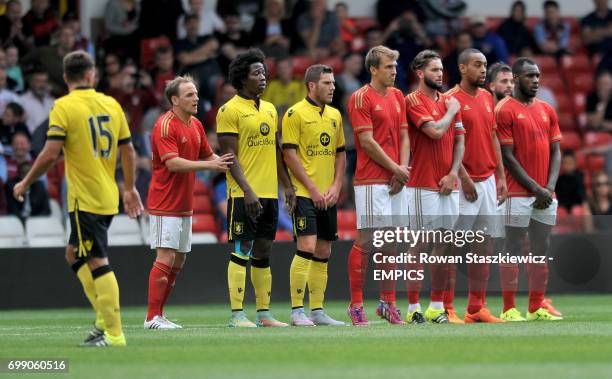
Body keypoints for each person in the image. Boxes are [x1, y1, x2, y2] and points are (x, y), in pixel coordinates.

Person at [12, 50, 144, 346]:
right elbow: (129, 150)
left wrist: (25, 182)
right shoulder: (112, 104)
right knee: (74, 253)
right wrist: (130, 187)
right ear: (90, 75)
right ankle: (102, 317)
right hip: (109, 194)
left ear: (65, 78)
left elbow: (49, 154)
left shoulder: (63, 106)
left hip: (85, 199)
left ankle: (114, 333)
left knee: (97, 260)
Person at [144, 75, 233, 329]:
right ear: (174, 100)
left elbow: (209, 155)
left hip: (184, 204)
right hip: (165, 202)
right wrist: (210, 164)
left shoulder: (195, 125)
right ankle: (151, 317)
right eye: (189, 95)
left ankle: (159, 314)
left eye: (195, 94)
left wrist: (228, 166)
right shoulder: (165, 125)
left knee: (179, 260)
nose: (196, 99)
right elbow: (173, 163)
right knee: (166, 256)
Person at [216, 48, 295, 327]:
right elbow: (229, 156)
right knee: (243, 247)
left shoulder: (271, 109)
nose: (263, 77)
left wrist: (287, 185)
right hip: (242, 193)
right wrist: (247, 190)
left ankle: (264, 314)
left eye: (264, 72)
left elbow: (276, 151)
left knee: (263, 249)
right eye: (257, 73)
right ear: (242, 78)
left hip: (269, 193)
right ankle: (237, 315)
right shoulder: (229, 110)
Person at [495, 57, 563, 321]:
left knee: (541, 247)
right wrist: (536, 188)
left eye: (537, 76)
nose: (535, 80)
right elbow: (508, 157)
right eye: (529, 76)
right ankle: (509, 308)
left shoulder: (547, 109)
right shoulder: (505, 109)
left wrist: (549, 187)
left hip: (546, 193)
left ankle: (535, 307)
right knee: (512, 246)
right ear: (515, 79)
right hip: (518, 193)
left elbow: (557, 151)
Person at [346, 45, 410, 326]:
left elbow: (405, 136)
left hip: (396, 178)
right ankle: (356, 305)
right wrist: (395, 168)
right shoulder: (360, 98)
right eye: (388, 67)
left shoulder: (398, 96)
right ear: (373, 69)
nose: (394, 71)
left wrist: (402, 170)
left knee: (391, 242)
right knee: (367, 240)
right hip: (371, 178)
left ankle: (388, 303)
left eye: (395, 67)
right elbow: (367, 142)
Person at [444, 48, 506, 323]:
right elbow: (447, 145)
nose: (483, 70)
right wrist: (464, 177)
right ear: (462, 68)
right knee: (452, 245)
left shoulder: (487, 97)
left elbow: (493, 138)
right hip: (462, 183)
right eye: (477, 65)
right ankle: (445, 306)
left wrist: (501, 176)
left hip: (489, 180)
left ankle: (475, 308)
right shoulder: (449, 100)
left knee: (485, 244)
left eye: (485, 65)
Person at [282, 64, 346, 326]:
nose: (332, 87)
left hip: (328, 195)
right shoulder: (293, 114)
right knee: (306, 247)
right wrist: (312, 189)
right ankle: (297, 311)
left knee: (324, 249)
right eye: (327, 83)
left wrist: (337, 185)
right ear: (311, 85)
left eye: (333, 83)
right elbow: (289, 154)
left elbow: (341, 153)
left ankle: (317, 311)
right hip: (305, 193)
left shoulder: (334, 115)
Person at [404, 49, 464, 324]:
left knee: (445, 244)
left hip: (448, 184)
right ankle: (413, 306)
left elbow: (460, 141)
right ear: (420, 73)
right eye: (434, 70)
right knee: (419, 244)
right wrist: (451, 111)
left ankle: (436, 306)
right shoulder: (412, 101)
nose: (440, 74)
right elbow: (436, 132)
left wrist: (453, 174)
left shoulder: (448, 100)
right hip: (422, 184)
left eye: (441, 70)